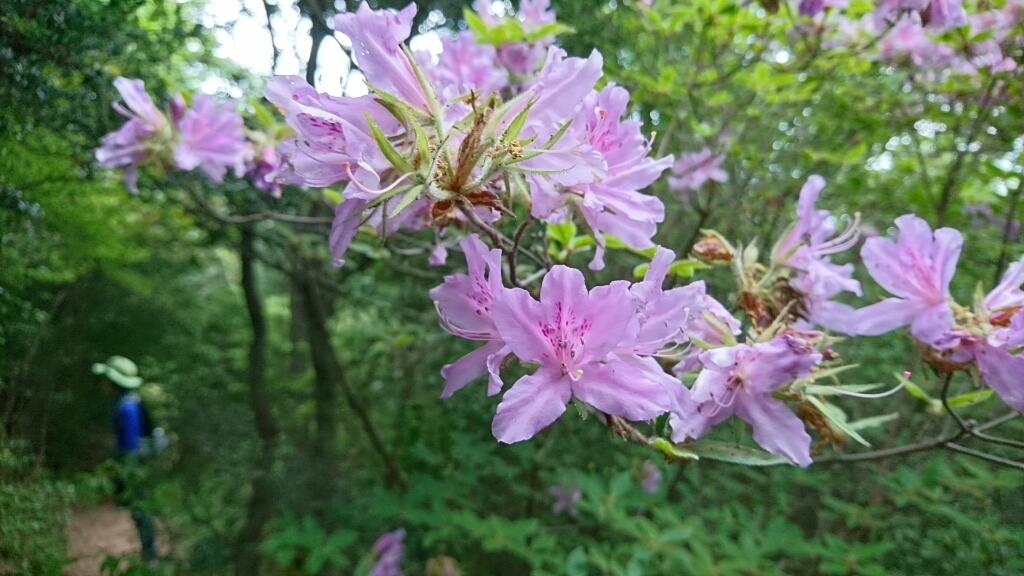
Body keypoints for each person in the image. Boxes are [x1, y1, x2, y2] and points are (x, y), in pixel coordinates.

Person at [93, 355, 157, 561]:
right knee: (139, 507)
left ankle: (150, 553)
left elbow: (131, 446)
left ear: (114, 382)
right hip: (135, 463)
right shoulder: (125, 402)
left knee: (139, 507)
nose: (103, 383)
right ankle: (149, 551)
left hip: (134, 465)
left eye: (106, 379)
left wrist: (125, 475)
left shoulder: (127, 407)